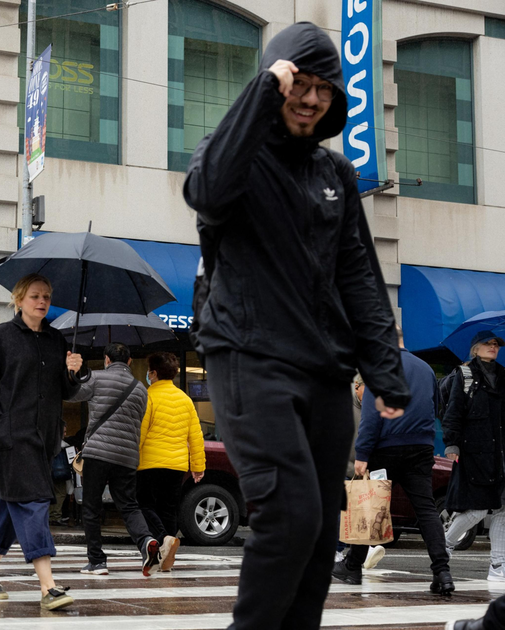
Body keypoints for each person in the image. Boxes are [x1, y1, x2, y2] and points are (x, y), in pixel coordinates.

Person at [182, 21, 411, 629]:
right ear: (274, 81)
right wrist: (262, 93)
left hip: (325, 370)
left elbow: (358, 274)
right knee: (288, 514)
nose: (309, 99)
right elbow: (205, 192)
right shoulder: (232, 155)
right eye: (297, 83)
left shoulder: (335, 175)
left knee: (317, 529)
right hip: (247, 356)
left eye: (322, 89)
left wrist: (384, 369)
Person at [0, 273, 86, 611]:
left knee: (14, 502)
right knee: (34, 502)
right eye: (35, 296)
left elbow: (68, 393)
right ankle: (48, 586)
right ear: (19, 299)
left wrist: (72, 372)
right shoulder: (3, 336)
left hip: (44, 440)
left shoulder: (56, 340)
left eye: (47, 297)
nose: (42, 302)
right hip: (10, 439)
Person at [332, 327, 452, 592]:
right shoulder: (425, 369)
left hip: (387, 449)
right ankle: (442, 573)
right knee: (426, 510)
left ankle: (352, 567)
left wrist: (362, 454)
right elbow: (436, 407)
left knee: (370, 506)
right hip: (421, 448)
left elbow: (371, 418)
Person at [66, 342, 162, 576]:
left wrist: (71, 372)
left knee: (91, 506)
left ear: (107, 359)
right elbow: (138, 420)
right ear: (129, 362)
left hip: (98, 453)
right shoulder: (140, 389)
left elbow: (72, 396)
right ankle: (146, 541)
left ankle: (97, 561)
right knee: (129, 505)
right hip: (127, 456)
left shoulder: (96, 378)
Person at [442, 331, 505, 581]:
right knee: (478, 509)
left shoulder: (503, 376)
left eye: (496, 344)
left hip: (501, 455)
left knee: (502, 510)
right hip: (475, 453)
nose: (493, 347)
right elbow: (453, 412)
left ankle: (498, 566)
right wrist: (452, 445)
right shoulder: (464, 375)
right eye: (488, 344)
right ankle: (444, 545)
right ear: (475, 349)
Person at [138, 351, 205, 572]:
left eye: (149, 372)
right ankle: (167, 557)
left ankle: (161, 540)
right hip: (176, 465)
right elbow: (195, 435)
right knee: (168, 509)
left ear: (154, 373)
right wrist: (198, 467)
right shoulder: (185, 399)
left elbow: (141, 433)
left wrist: (131, 458)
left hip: (149, 463)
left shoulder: (149, 396)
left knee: (144, 505)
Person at [334, 374, 386, 570]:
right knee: (345, 509)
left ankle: (366, 547)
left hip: (363, 463)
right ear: (357, 386)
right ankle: (338, 550)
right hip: (346, 462)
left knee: (366, 508)